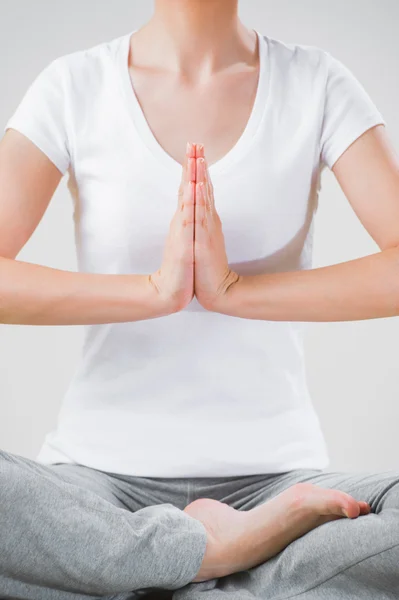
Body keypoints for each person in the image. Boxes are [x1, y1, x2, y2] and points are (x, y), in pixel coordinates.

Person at [1, 0, 398, 598]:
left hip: (278, 483)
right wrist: (154, 291)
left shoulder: (315, 82)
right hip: (92, 489)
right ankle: (221, 558)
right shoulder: (73, 85)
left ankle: (146, 573)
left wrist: (233, 291)